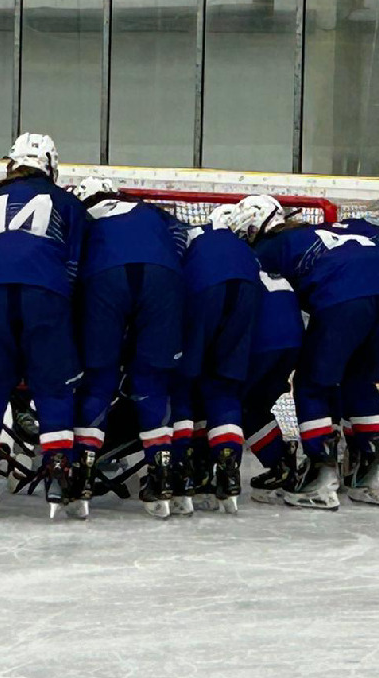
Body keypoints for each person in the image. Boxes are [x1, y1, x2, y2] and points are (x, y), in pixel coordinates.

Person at [246, 194, 379, 511]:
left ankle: (319, 477)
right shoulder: (357, 228)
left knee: (313, 383)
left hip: (344, 298)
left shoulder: (270, 247)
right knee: (360, 381)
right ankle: (370, 475)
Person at [0, 133, 89, 519]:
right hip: (44, 291)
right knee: (55, 385)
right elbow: (76, 267)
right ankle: (59, 470)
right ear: (50, 164)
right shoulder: (67, 201)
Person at [70, 177, 188, 518]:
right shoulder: (148, 210)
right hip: (162, 275)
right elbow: (182, 236)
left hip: (104, 277)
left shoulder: (82, 217)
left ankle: (83, 477)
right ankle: (163, 476)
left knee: (98, 380)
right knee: (152, 383)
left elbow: (71, 264)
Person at [169, 203, 262, 516]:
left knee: (181, 383)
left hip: (201, 289)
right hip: (247, 289)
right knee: (223, 387)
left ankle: (181, 471)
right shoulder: (241, 246)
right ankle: (228, 469)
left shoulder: (187, 235)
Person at [242, 269, 305, 505]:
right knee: (257, 405)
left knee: (236, 403)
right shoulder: (272, 270)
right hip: (293, 342)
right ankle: (283, 459)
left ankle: (279, 463)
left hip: (263, 342)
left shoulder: (239, 270)